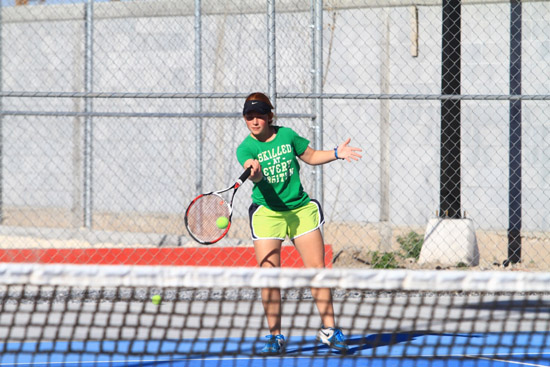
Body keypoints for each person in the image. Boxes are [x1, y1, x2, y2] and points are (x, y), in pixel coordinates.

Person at [236, 92, 362, 355]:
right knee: (269, 275)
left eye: (260, 115)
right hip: (268, 214)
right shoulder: (245, 148)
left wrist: (337, 152)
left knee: (317, 269)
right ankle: (275, 336)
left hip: (300, 210)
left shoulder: (288, 135)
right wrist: (254, 170)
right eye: (250, 116)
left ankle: (330, 331)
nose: (255, 120)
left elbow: (312, 156)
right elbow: (252, 168)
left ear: (270, 116)